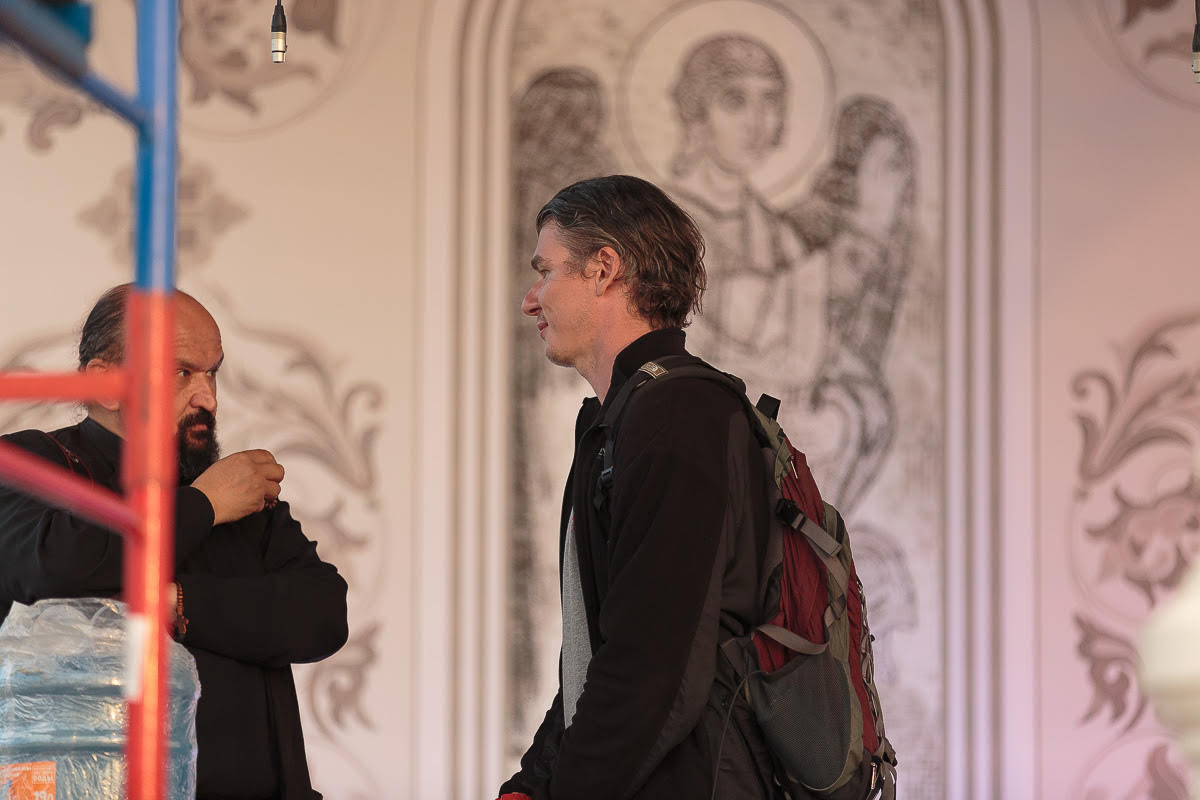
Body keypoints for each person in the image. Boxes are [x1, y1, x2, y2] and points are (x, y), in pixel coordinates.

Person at [0, 285, 349, 800]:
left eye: (213, 373)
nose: (208, 398)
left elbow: (323, 615)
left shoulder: (239, 496)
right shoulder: (31, 464)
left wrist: (175, 601)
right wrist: (204, 504)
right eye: (183, 372)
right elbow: (51, 567)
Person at [499, 175, 779, 800]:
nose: (530, 300)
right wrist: (532, 785)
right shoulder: (627, 416)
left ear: (603, 268)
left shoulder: (677, 413)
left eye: (545, 272)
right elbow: (600, 659)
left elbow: (653, 671)